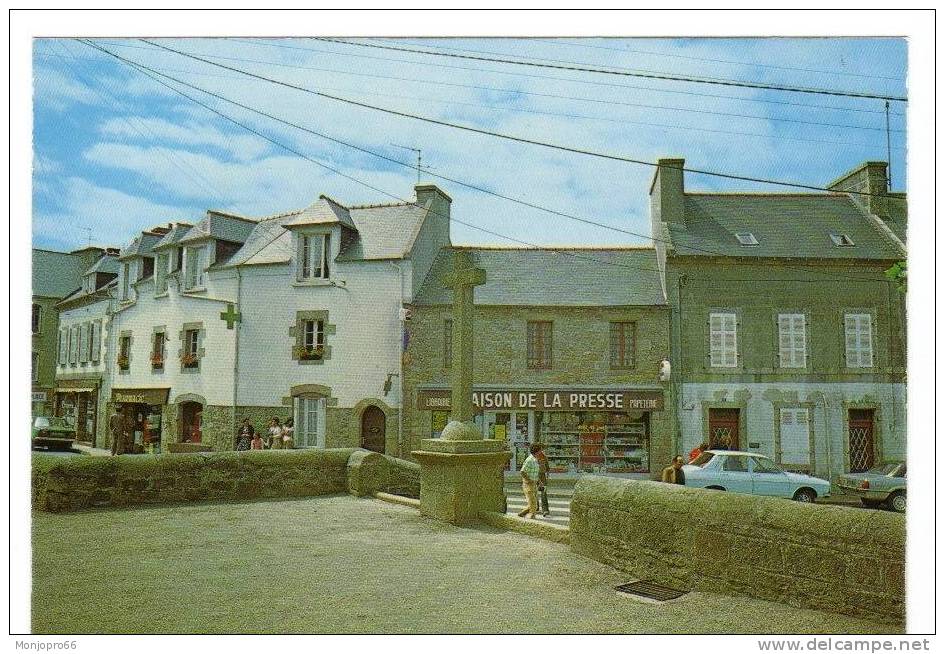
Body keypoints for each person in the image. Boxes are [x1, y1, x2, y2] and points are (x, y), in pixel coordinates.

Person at [517, 443, 541, 519]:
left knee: (532, 502)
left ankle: (521, 514)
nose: (541, 452)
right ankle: (532, 516)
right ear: (536, 451)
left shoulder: (535, 460)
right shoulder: (529, 460)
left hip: (534, 483)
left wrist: (538, 481)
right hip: (528, 484)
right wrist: (529, 480)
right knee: (533, 502)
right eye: (540, 451)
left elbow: (535, 472)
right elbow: (522, 471)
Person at [534, 442, 550, 516]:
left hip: (542, 476)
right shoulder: (533, 457)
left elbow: (547, 467)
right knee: (535, 493)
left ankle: (545, 510)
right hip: (534, 476)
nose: (541, 450)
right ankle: (536, 507)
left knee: (544, 493)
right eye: (540, 449)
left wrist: (547, 475)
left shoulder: (544, 457)